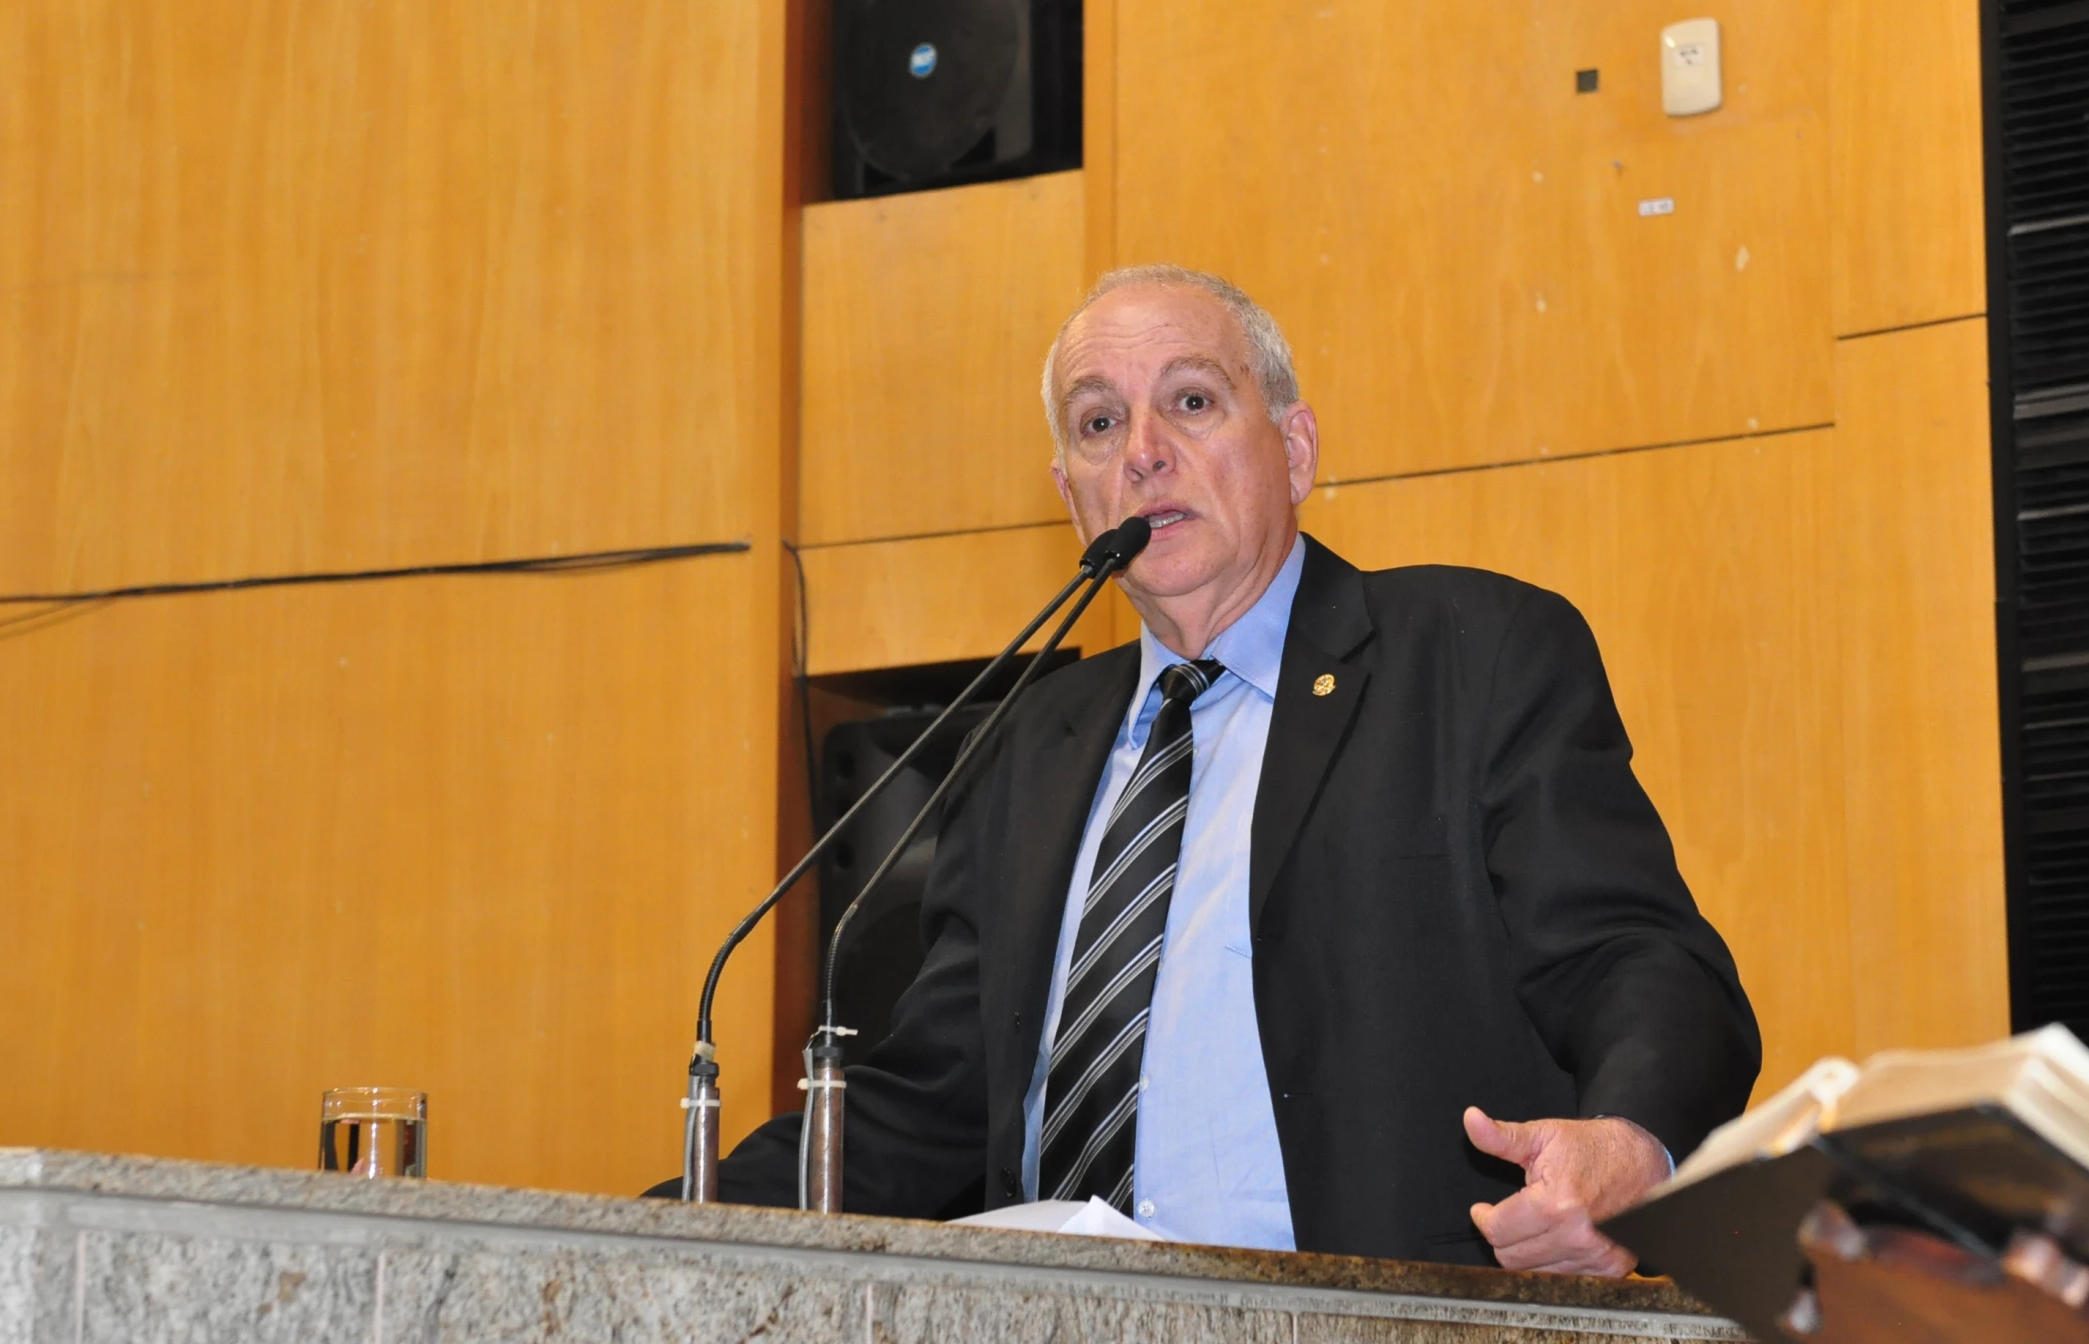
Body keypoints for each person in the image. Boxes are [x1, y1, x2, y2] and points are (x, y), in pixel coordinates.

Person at [686, 264, 1760, 1272]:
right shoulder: (1026, 744)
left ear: (1294, 448)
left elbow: (1638, 955)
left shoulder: (1470, 655)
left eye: (1192, 402)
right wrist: (656, 1226)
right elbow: (927, 1105)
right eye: (1101, 423)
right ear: (1074, 498)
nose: (1143, 451)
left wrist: (1631, 1144)